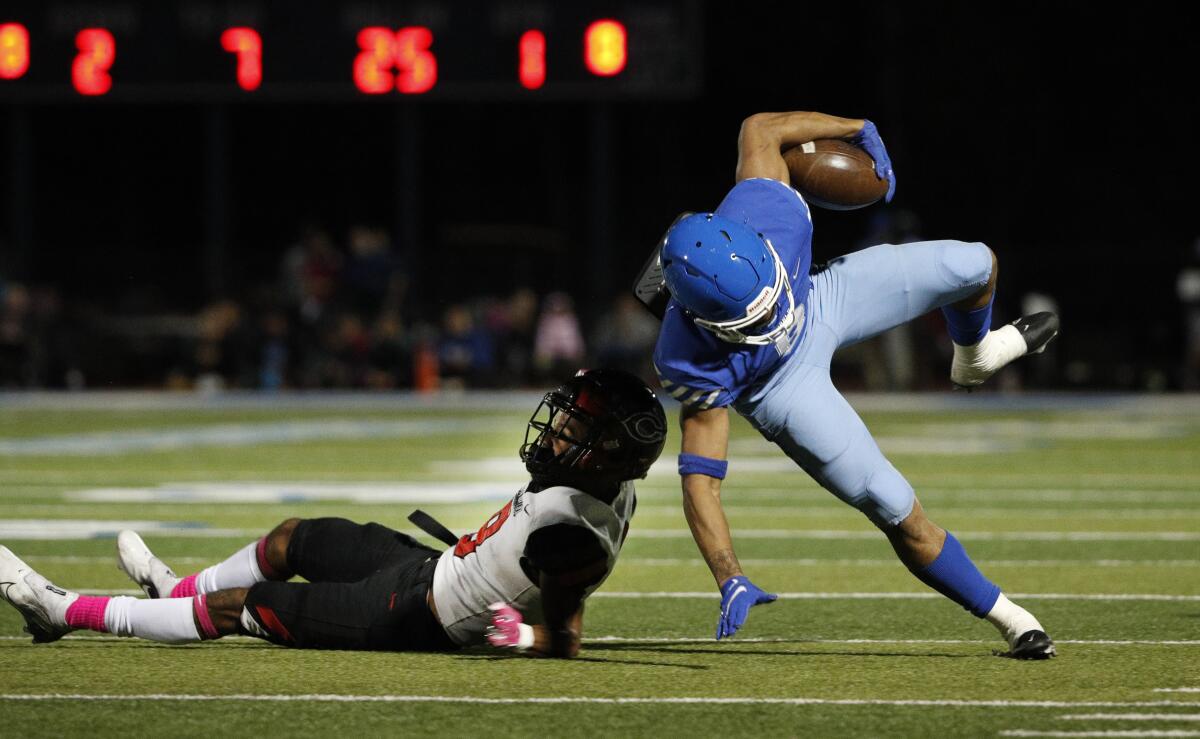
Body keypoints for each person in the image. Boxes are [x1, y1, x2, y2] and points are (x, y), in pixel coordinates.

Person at [652, 111, 1059, 659]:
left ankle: (978, 358)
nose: (770, 317)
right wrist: (730, 575)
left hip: (821, 298)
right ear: (707, 324)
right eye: (753, 319)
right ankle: (1013, 619)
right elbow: (700, 482)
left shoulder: (768, 208)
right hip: (779, 387)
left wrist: (856, 125)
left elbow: (759, 128)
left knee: (975, 264)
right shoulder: (690, 360)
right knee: (892, 504)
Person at [0, 369, 667, 658]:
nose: (554, 434)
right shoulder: (609, 482)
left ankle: (62, 611)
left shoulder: (571, 533)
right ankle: (173, 590)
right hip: (438, 568)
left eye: (575, 428)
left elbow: (567, 637)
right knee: (297, 536)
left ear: (607, 452)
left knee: (245, 605)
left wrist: (522, 637)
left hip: (417, 616)